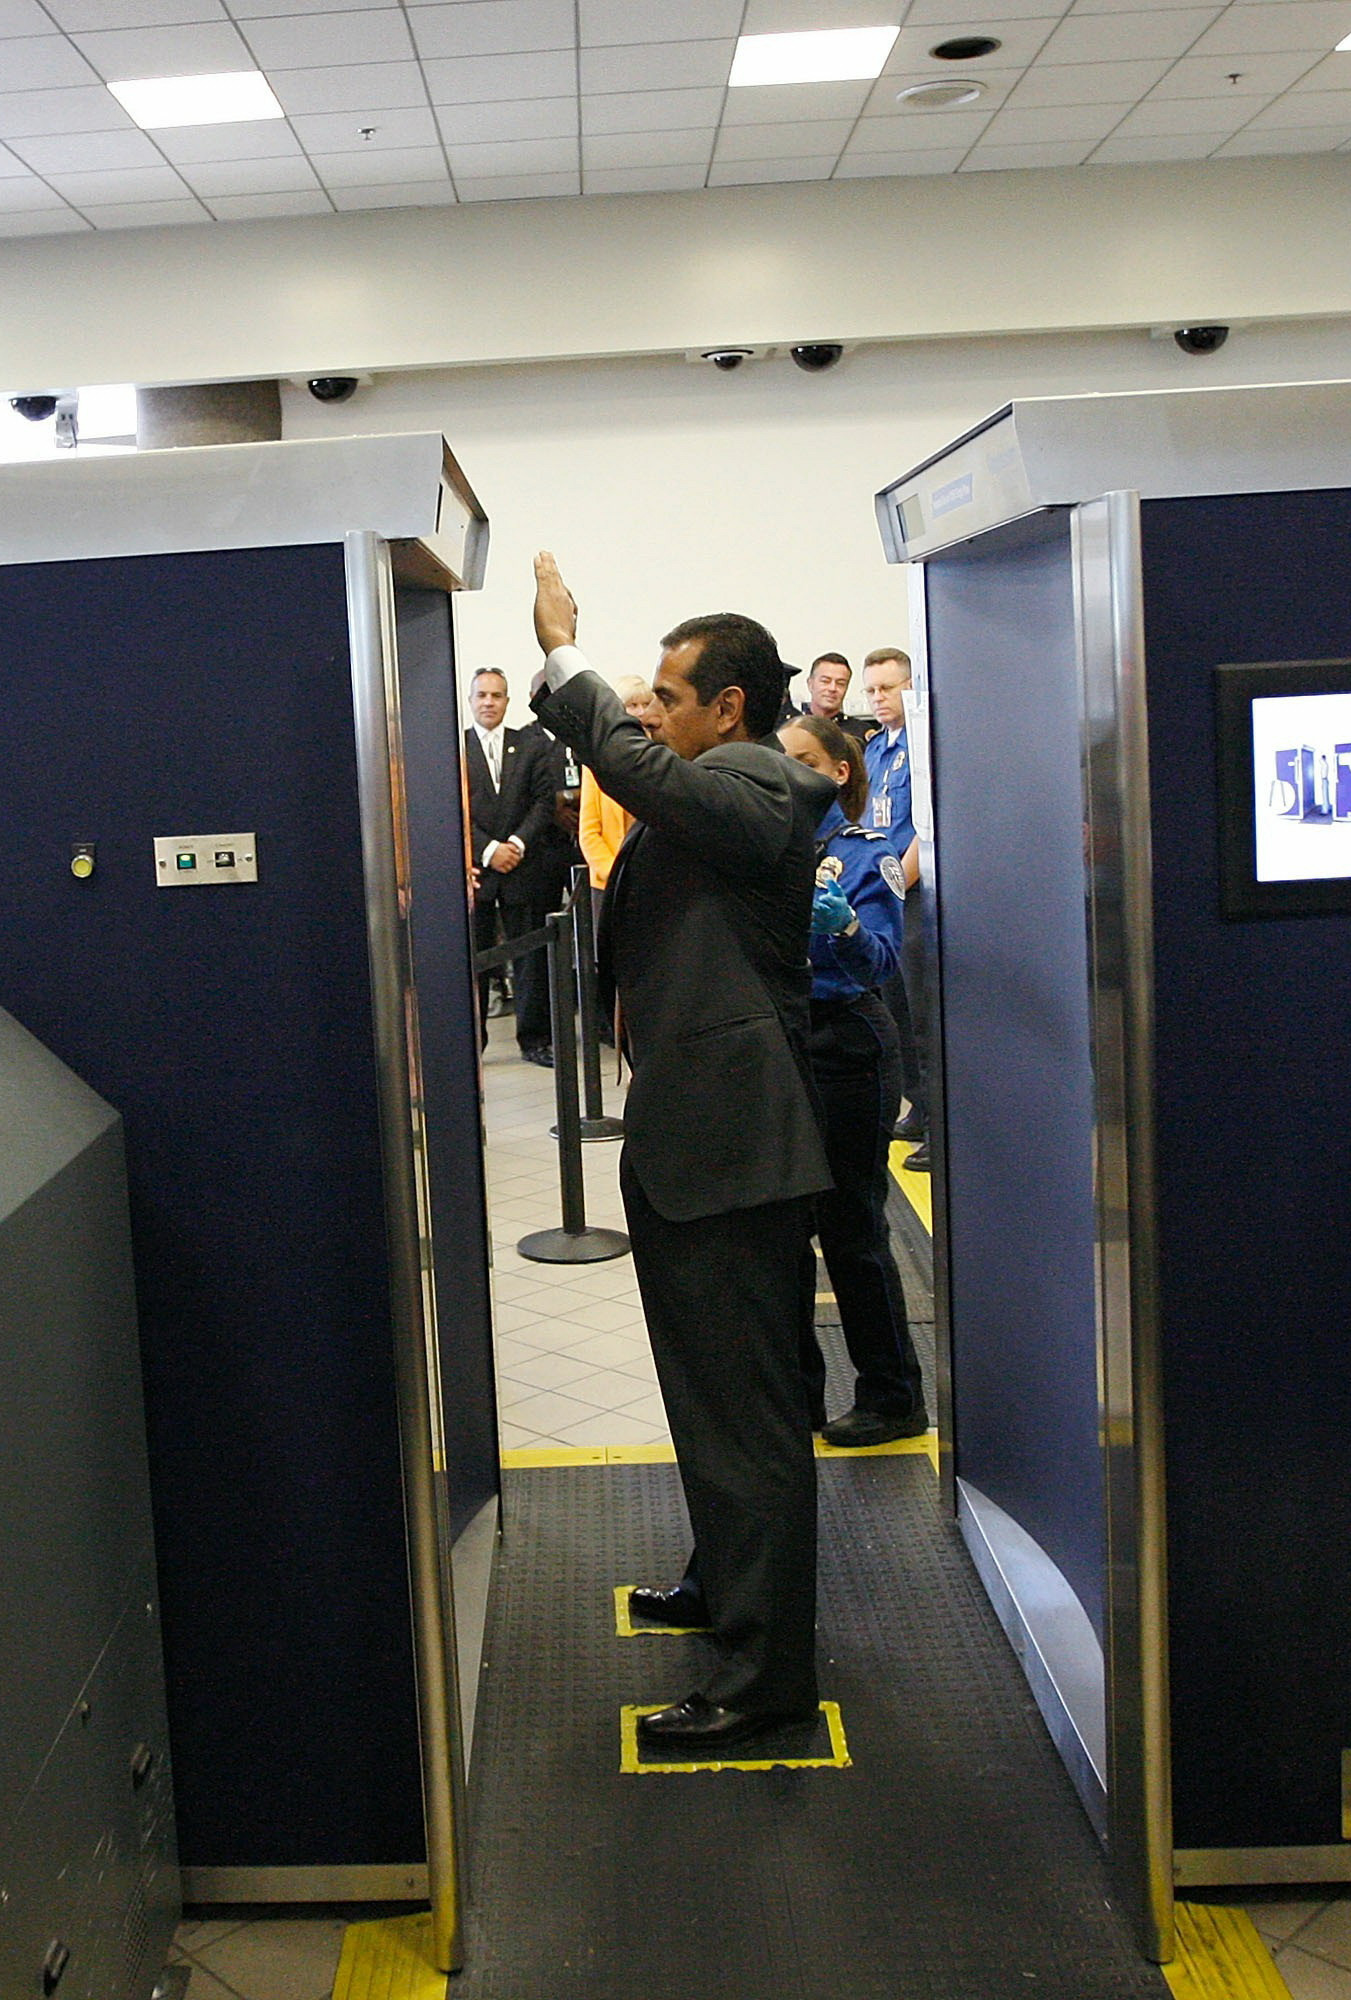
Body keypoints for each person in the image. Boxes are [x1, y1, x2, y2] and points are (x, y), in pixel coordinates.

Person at [526, 552, 837, 1757]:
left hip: (735, 1155)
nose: (649, 709)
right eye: (641, 690)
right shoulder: (715, 780)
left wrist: (566, 658)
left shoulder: (765, 786)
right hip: (696, 1147)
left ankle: (767, 1683)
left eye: (669, 691)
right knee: (709, 1399)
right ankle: (726, 1586)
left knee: (747, 1417)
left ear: (732, 709)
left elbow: (641, 771)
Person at [778, 714, 929, 1447]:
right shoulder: (772, 847)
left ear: (838, 771)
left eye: (802, 760)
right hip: (786, 1041)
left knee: (852, 1230)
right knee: (786, 1231)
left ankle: (894, 1395)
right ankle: (801, 1397)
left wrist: (840, 927)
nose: (787, 772)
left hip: (848, 1045)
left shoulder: (866, 855)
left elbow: (881, 964)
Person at [464, 667, 569, 1064]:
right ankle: (474, 1043)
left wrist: (516, 844)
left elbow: (544, 803)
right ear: (471, 701)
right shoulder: (455, 748)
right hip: (478, 872)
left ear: (507, 701)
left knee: (531, 959)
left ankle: (535, 1039)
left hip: (523, 867)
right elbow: (450, 807)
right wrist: (488, 850)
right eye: (482, 695)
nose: (489, 702)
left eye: (497, 695)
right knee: (474, 960)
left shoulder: (531, 746)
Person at [862, 651, 933, 1166]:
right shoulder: (875, 750)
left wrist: (894, 884)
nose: (878, 698)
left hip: (914, 897)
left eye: (887, 688)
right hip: (883, 898)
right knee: (895, 1011)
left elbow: (924, 830)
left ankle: (941, 1119)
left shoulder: (923, 746)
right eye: (872, 691)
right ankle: (918, 1106)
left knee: (924, 1013)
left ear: (910, 687)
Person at [578, 677, 660, 1051]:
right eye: (632, 706)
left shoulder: (663, 758)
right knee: (612, 967)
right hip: (608, 883)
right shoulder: (596, 764)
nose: (641, 713)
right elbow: (588, 833)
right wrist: (617, 873)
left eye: (646, 704)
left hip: (651, 882)